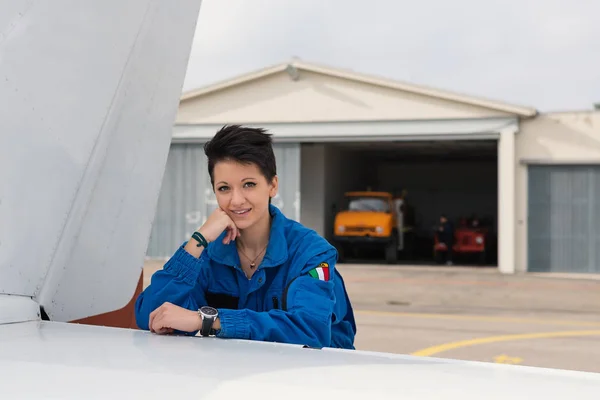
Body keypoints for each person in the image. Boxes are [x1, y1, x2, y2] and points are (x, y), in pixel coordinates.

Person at [135, 125, 356, 350]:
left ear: (272, 186)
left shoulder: (312, 253)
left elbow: (310, 330)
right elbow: (151, 316)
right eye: (224, 188)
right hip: (234, 376)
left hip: (313, 379)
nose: (236, 200)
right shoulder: (205, 251)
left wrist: (208, 320)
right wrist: (197, 240)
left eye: (248, 184)